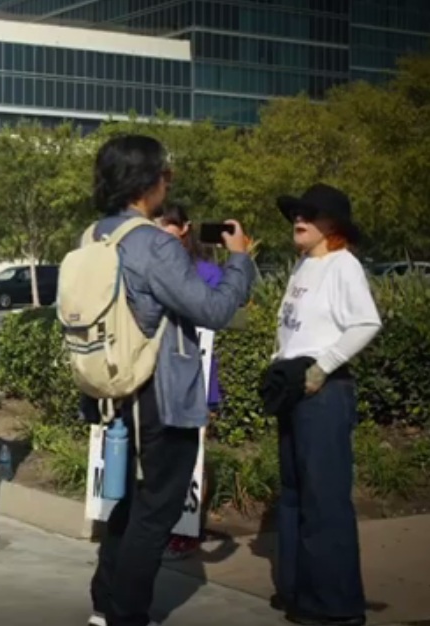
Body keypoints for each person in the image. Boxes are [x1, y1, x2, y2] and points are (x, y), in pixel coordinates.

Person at [77, 135, 256, 626]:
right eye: (166, 174)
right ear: (149, 181)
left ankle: (104, 604)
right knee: (157, 510)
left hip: (112, 386)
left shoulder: (94, 235)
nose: (168, 182)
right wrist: (239, 259)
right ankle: (127, 614)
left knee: (130, 502)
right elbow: (214, 310)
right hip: (160, 392)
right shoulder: (154, 243)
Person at [268, 184, 379, 626]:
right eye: (298, 212)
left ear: (333, 226)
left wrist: (323, 367)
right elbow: (293, 329)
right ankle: (297, 591)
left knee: (324, 499)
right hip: (295, 390)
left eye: (312, 214)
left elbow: (367, 322)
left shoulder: (342, 265)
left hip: (326, 393)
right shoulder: (303, 265)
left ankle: (335, 606)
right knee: (294, 495)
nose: (301, 218)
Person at [154, 204, 224, 561]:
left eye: (167, 226)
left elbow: (221, 311)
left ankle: (189, 528)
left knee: (193, 453)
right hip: (158, 376)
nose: (160, 232)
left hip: (197, 373)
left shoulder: (207, 273)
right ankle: (162, 525)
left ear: (184, 229)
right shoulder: (149, 266)